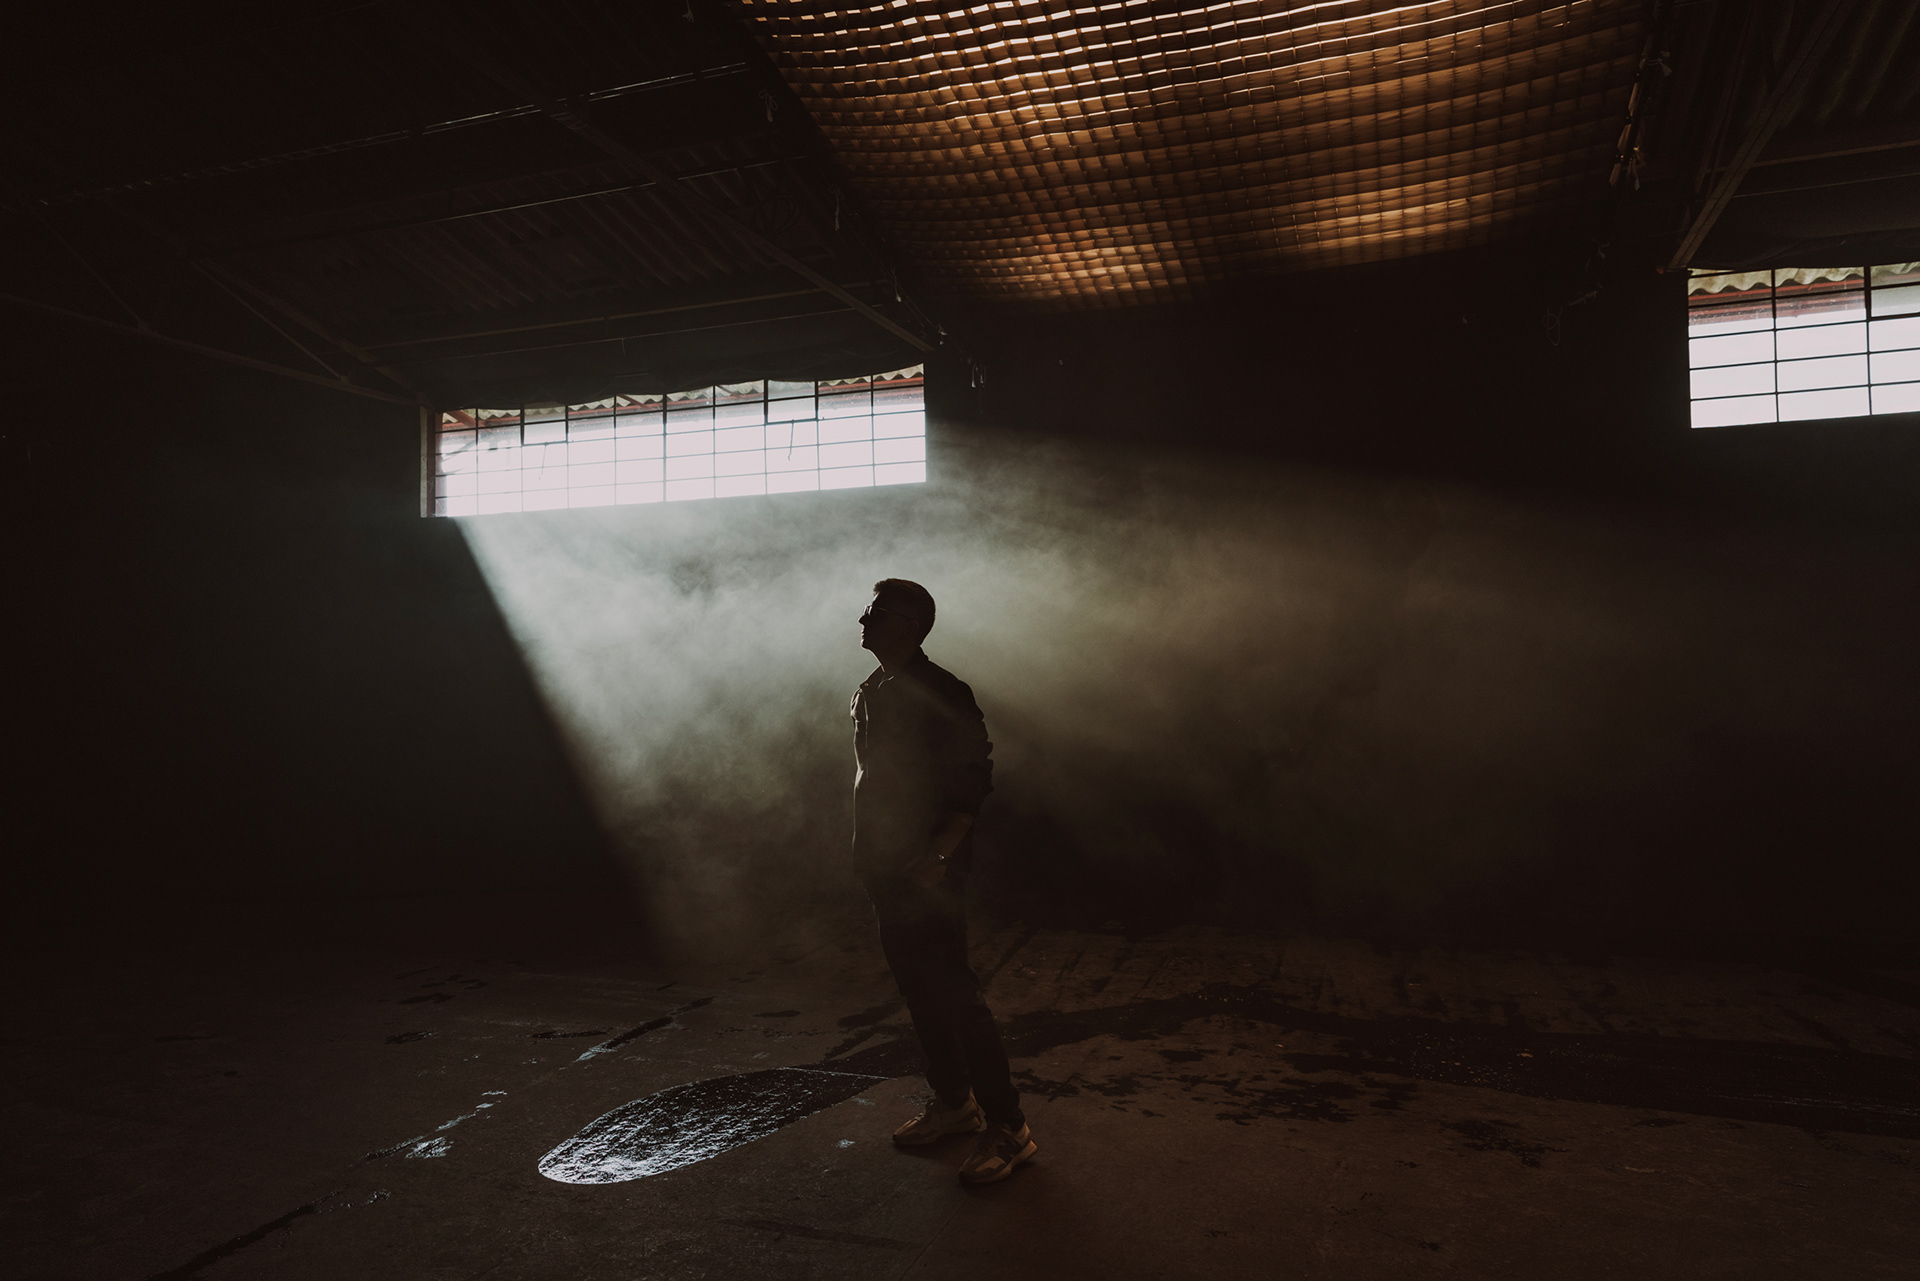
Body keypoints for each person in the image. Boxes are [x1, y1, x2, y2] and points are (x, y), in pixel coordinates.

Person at [849, 577, 1035, 1185]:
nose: (863, 619)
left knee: (954, 992)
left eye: (876, 612)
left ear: (909, 626)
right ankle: (956, 1105)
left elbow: (972, 778)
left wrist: (938, 856)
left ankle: (1010, 1127)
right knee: (920, 990)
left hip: (928, 872)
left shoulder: (944, 691)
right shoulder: (872, 688)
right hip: (886, 868)